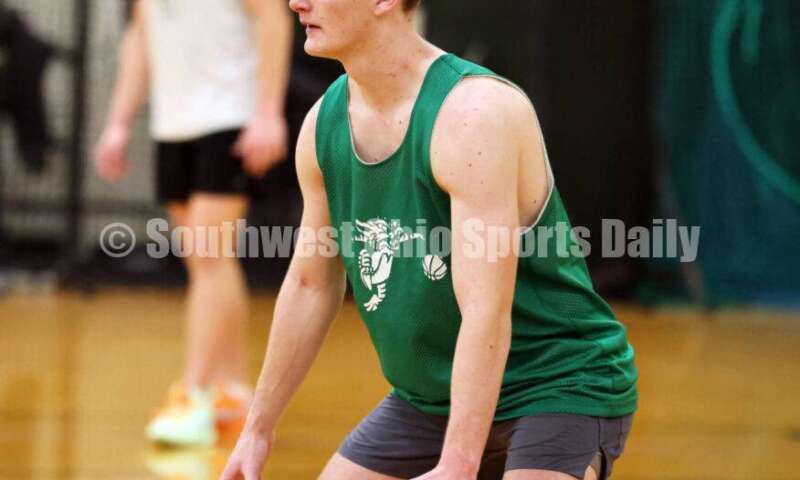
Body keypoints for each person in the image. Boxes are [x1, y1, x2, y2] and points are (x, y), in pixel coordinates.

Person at [222, 0, 638, 478]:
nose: (297, 1)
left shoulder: (473, 113)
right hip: (428, 401)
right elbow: (310, 285)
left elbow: (486, 306)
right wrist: (258, 427)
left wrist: (457, 464)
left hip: (557, 384)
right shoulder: (323, 125)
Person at [94, 0, 292, 446]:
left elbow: (273, 21)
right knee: (206, 261)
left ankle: (194, 393)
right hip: (173, 125)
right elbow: (140, 37)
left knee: (208, 255)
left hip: (229, 118)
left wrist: (266, 113)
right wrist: (119, 122)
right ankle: (234, 391)